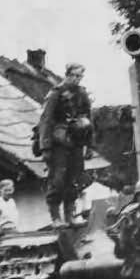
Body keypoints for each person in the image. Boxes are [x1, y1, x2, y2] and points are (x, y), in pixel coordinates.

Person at [39, 62, 94, 228]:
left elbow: (89, 119)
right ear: (67, 75)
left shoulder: (82, 93)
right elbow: (46, 120)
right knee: (58, 180)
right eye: (74, 75)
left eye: (80, 76)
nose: (77, 79)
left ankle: (70, 216)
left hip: (76, 142)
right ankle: (56, 217)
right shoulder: (56, 93)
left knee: (74, 180)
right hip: (59, 143)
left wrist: (89, 145)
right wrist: (45, 147)